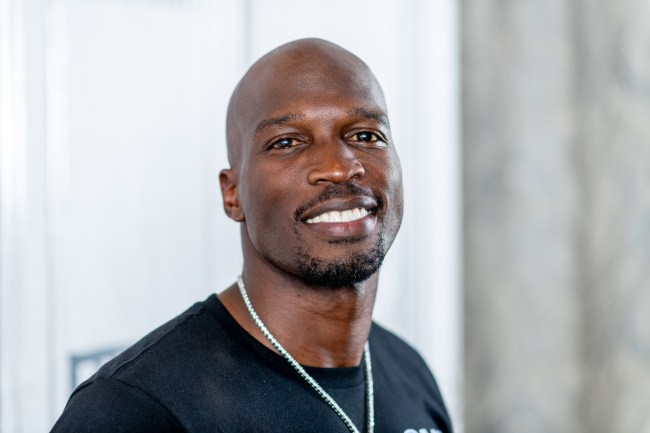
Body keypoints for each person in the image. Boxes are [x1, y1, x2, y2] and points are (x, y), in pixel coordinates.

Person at [51, 38, 452, 433]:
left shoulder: (408, 372)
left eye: (365, 136)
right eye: (286, 142)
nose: (338, 167)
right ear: (233, 194)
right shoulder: (134, 409)